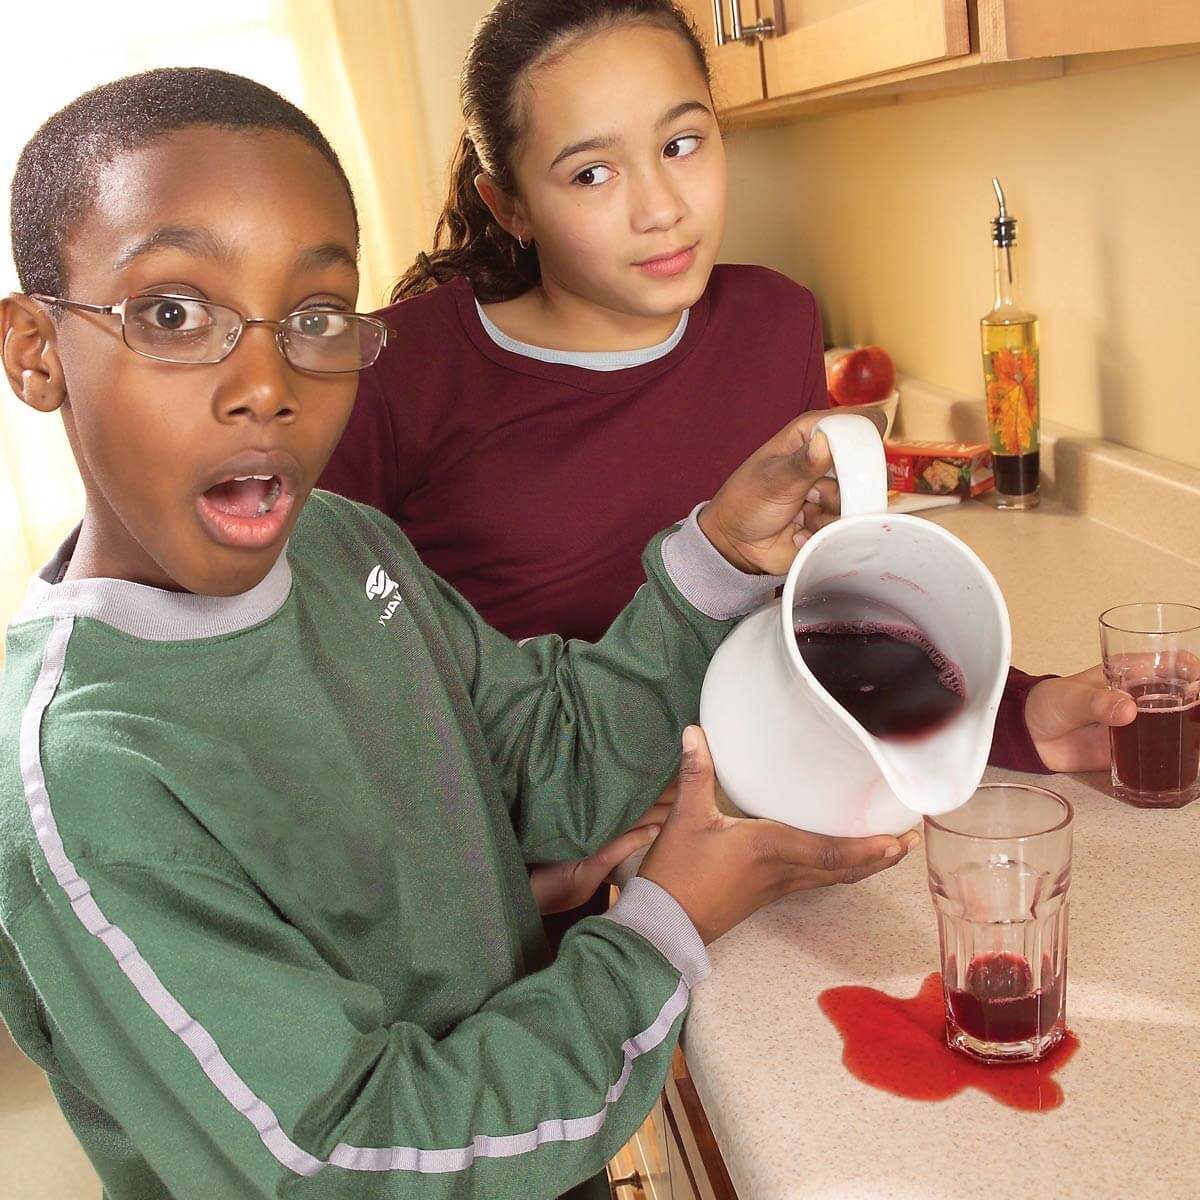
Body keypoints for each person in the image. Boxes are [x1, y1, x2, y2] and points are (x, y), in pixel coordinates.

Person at [0, 68, 916, 1200]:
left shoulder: (345, 552)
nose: (265, 385)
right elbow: (345, 1158)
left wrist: (720, 553)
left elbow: (556, 765)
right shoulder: (90, 783)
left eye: (316, 317)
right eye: (174, 313)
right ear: (36, 351)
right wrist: (664, 930)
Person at [320, 0, 1136, 917]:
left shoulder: (773, 321)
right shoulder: (391, 372)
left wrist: (1017, 717)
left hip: (756, 851)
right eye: (591, 172)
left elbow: (816, 610)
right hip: (550, 908)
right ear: (506, 203)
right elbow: (343, 675)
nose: (662, 208)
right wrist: (523, 868)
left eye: (681, 145)